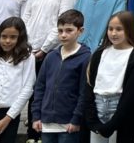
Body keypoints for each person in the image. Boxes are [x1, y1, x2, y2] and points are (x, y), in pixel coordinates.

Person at [82, 10, 134, 143]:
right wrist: (92, 120)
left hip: (120, 110)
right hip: (98, 107)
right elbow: (89, 87)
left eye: (119, 29)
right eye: (110, 29)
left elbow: (130, 94)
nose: (113, 33)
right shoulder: (99, 54)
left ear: (129, 30)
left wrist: (112, 124)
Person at [32, 9, 92, 143]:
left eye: (69, 30)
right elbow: (40, 87)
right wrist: (36, 116)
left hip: (69, 124)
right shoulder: (51, 56)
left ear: (80, 31)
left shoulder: (86, 57)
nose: (63, 35)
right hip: (46, 123)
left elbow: (84, 92)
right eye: (60, 31)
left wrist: (76, 119)